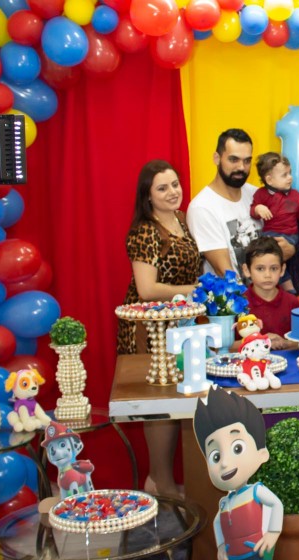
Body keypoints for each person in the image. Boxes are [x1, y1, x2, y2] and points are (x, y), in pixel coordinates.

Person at [116, 159, 202, 498]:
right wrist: (195, 290)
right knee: (159, 405)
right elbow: (147, 288)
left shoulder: (181, 219)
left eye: (175, 184)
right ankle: (161, 482)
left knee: (178, 402)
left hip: (180, 324)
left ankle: (161, 479)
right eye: (162, 188)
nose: (172, 192)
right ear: (148, 196)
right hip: (150, 329)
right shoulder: (145, 231)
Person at [194, 387, 283, 560]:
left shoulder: (256, 491)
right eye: (215, 456)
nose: (224, 463)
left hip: (254, 555)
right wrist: (221, 546)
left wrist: (272, 533)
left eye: (237, 447)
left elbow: (276, 504)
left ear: (261, 453)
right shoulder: (225, 503)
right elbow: (217, 524)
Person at [187, 128, 293, 278]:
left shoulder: (257, 194)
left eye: (247, 161)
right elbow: (225, 273)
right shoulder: (202, 207)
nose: (241, 167)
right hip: (236, 293)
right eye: (233, 160)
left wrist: (291, 248)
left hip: (269, 290)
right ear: (217, 158)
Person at [250, 152, 299, 292]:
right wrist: (258, 208)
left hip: (290, 235)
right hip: (270, 235)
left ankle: (288, 286)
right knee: (269, 259)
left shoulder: (295, 195)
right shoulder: (261, 194)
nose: (290, 177)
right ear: (269, 180)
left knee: (276, 259)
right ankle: (284, 285)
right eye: (284, 175)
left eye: (290, 173)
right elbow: (252, 210)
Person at [240, 236, 299, 351]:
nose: (267, 275)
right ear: (247, 270)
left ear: (282, 270)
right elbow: (228, 346)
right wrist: (260, 341)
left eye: (273, 268)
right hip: (248, 362)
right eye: (260, 269)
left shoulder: (292, 302)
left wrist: (285, 343)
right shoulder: (239, 304)